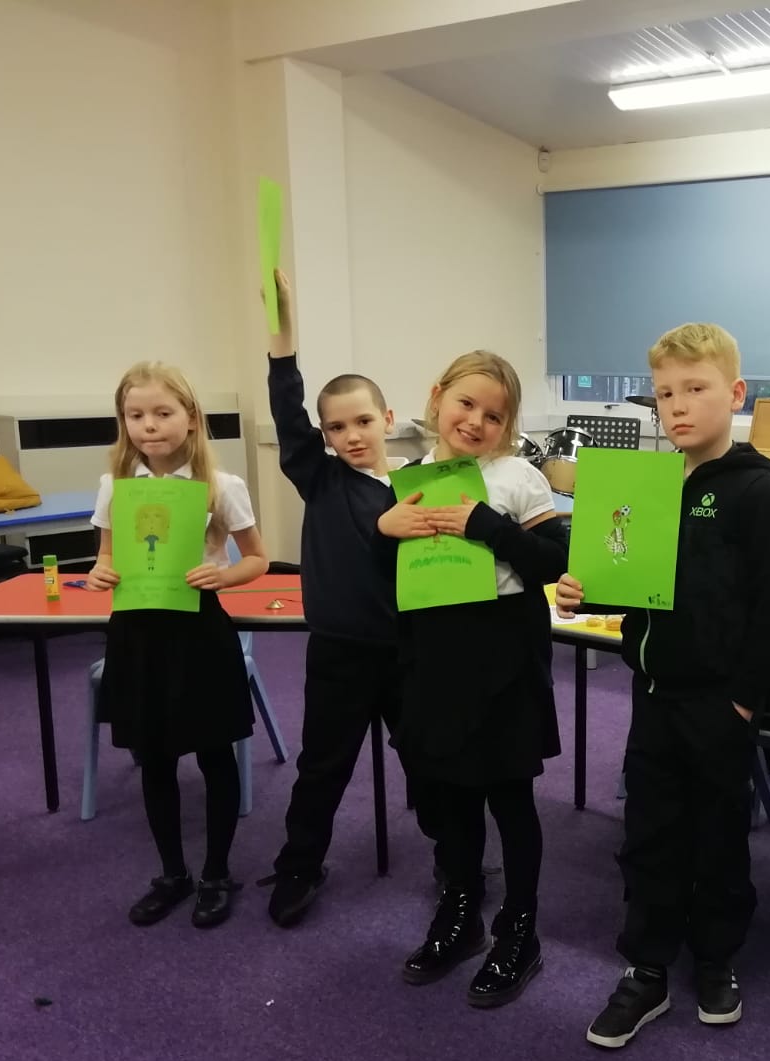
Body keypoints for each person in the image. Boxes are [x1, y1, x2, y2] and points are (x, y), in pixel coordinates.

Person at [555, 322, 770, 1049]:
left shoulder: (757, 490)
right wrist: (586, 591)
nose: (679, 407)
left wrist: (744, 700)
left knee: (718, 834)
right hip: (653, 695)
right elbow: (643, 586)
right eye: (666, 394)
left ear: (735, 392)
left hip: (718, 700)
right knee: (650, 834)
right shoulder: (653, 487)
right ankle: (648, 968)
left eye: (696, 390)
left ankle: (717, 956)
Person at [380, 350, 568, 1008]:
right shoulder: (409, 478)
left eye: (494, 414)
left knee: (509, 798)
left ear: (508, 424)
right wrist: (383, 527)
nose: (476, 420)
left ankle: (520, 929)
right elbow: (386, 576)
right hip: (433, 655)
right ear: (438, 397)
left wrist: (487, 523)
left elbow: (554, 561)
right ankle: (460, 914)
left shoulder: (518, 476)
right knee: (451, 797)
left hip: (503, 656)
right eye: (466, 404)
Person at [257, 270, 433, 927]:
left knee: (426, 758)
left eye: (363, 420)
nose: (352, 434)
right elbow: (286, 412)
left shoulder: (420, 488)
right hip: (339, 653)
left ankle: (455, 861)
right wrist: (283, 341)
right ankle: (300, 864)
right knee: (321, 767)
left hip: (408, 653)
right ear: (324, 436)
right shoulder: (321, 479)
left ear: (388, 419)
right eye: (337, 427)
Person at [86, 362, 268, 929]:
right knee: (156, 757)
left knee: (214, 752)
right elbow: (107, 556)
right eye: (135, 415)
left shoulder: (221, 485)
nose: (149, 425)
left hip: (198, 629)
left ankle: (216, 872)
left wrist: (225, 577)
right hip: (138, 631)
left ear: (190, 419)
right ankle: (172, 873)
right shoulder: (115, 485)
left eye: (162, 413)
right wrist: (100, 574)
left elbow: (258, 558)